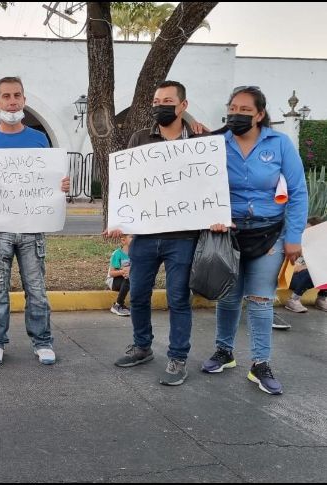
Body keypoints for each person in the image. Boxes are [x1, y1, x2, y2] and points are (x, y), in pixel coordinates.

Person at [202, 86, 308, 395]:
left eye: (245, 110)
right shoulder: (216, 143)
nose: (236, 114)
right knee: (228, 297)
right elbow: (200, 186)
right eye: (232, 108)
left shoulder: (280, 144)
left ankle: (261, 364)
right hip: (228, 234)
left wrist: (294, 237)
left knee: (261, 299)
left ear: (260, 114)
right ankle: (224, 351)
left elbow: (298, 192)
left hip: (269, 234)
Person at [0, 76, 70, 366]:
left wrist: (61, 185)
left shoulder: (39, 139)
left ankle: (42, 342)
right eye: (6, 96)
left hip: (33, 229)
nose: (12, 101)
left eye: (17, 95)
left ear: (24, 100)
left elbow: (49, 180)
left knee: (37, 290)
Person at [107, 80, 202, 387]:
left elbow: (211, 181)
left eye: (168, 101)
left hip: (182, 237)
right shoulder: (139, 138)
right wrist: (119, 219)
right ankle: (142, 346)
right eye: (156, 101)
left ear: (183, 105)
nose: (160, 106)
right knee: (137, 294)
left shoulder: (200, 139)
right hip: (144, 234)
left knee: (178, 298)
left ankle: (178, 357)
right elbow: (126, 183)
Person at [283, 216, 327, 315]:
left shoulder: (318, 248)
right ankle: (293, 300)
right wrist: (308, 267)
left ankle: (321, 299)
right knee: (311, 271)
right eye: (305, 230)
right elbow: (290, 269)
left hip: (308, 279)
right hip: (290, 278)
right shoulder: (295, 245)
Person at [107, 235, 132, 317]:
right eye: (132, 237)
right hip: (114, 281)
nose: (135, 238)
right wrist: (122, 271)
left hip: (128, 279)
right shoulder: (117, 253)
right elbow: (111, 273)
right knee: (127, 277)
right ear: (123, 240)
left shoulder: (135, 254)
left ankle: (138, 305)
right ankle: (117, 305)